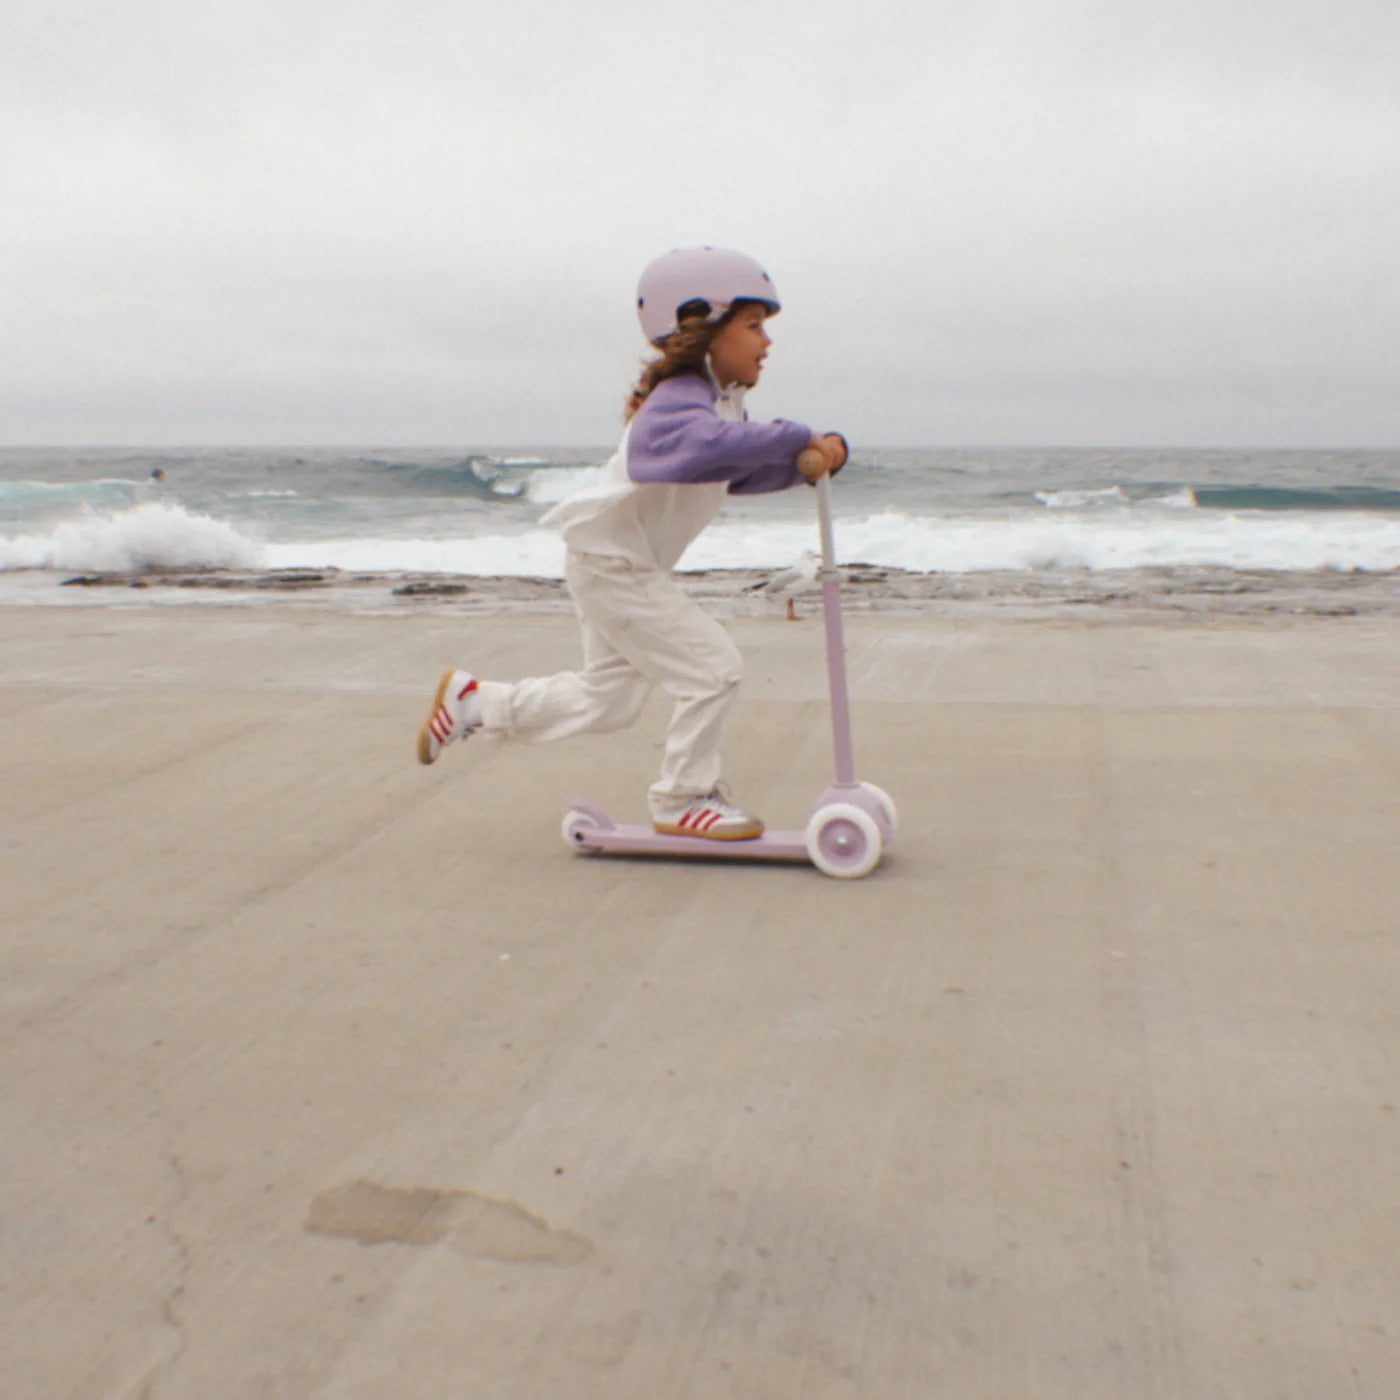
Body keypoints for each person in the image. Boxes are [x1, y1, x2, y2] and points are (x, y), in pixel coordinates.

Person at [416, 245, 847, 840]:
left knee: (609, 700)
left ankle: (477, 703)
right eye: (753, 325)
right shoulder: (679, 397)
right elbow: (668, 452)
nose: (766, 341)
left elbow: (731, 471)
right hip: (615, 565)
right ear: (705, 327)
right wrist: (797, 436)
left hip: (612, 562)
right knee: (714, 669)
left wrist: (805, 468)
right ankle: (682, 799)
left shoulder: (720, 404)